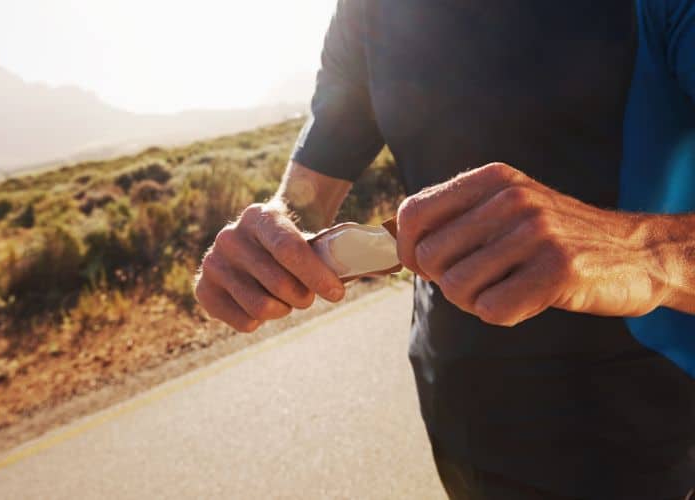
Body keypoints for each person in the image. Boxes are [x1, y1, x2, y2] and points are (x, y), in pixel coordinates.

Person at [194, 1, 695, 498]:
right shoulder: (366, 12)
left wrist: (644, 253)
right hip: (456, 415)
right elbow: (305, 198)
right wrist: (274, 237)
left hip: (649, 430)